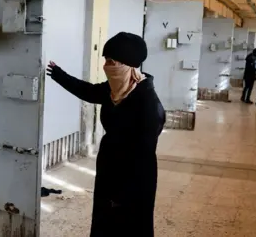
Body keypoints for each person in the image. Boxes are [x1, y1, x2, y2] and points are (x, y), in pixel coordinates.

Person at [46, 32, 166, 237]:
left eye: (112, 61)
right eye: (105, 61)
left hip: (134, 176)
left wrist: (123, 190)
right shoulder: (115, 90)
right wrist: (58, 74)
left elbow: (143, 153)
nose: (106, 66)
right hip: (110, 167)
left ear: (128, 64)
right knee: (105, 221)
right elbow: (88, 91)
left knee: (129, 223)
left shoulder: (148, 103)